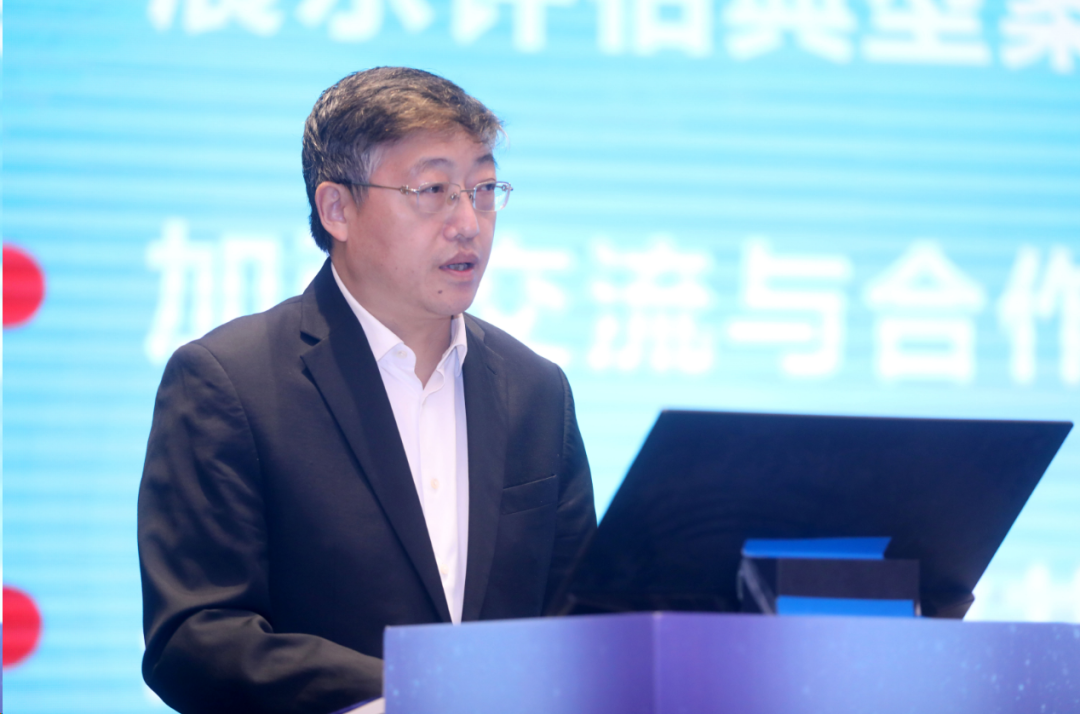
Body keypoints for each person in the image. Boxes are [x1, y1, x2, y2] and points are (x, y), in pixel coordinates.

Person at [138, 67, 596, 714]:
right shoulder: (228, 382)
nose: (468, 222)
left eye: (484, 189)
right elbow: (196, 637)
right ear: (337, 209)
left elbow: (577, 619)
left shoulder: (535, 390)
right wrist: (408, 695)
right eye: (433, 190)